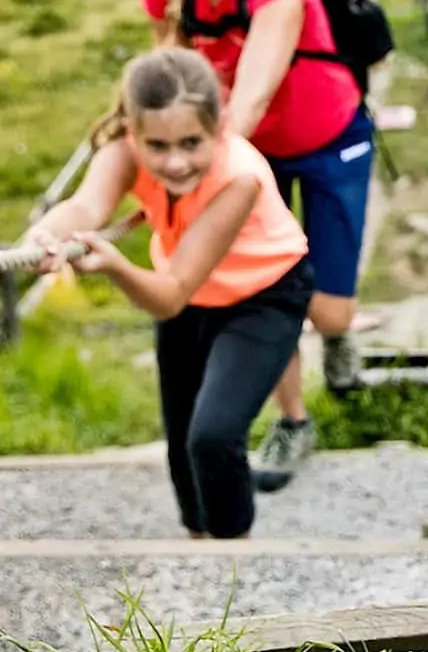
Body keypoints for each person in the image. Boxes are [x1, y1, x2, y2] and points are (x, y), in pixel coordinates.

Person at [139, 0, 375, 492]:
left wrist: (196, 168)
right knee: (261, 290)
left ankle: (337, 340)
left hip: (327, 139)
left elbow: (253, 92)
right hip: (246, 157)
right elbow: (171, 82)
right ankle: (295, 421)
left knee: (327, 310)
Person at [23, 48, 313, 539]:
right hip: (188, 291)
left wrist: (116, 268)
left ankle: (232, 551)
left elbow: (170, 296)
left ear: (218, 129)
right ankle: (198, 540)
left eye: (191, 143)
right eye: (156, 146)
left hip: (263, 295)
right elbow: (86, 206)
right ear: (133, 132)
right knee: (180, 440)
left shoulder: (238, 174)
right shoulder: (122, 149)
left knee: (214, 436)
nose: (175, 162)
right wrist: (44, 238)